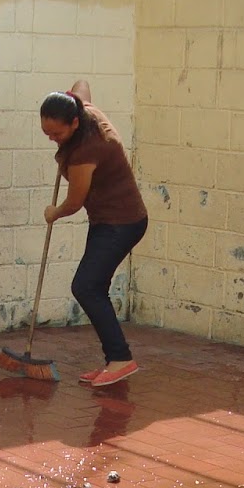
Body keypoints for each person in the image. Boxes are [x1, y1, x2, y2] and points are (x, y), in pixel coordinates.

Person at [39, 80, 150, 387]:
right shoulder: (83, 110)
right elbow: (82, 85)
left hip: (121, 222)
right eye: (47, 132)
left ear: (75, 123)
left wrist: (54, 212)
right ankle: (116, 359)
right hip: (109, 219)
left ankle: (121, 360)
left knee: (86, 287)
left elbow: (74, 202)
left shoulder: (85, 152)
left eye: (57, 134)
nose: (52, 139)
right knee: (93, 286)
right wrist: (69, 96)